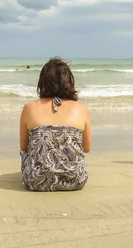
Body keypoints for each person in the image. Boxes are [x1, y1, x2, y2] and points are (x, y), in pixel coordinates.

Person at [19, 57, 91, 191]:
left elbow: (23, 147)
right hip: (75, 180)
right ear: (69, 81)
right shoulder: (81, 108)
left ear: (42, 83)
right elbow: (86, 148)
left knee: (26, 151)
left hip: (35, 181)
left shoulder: (29, 107)